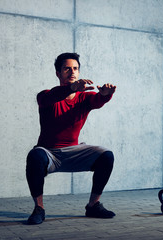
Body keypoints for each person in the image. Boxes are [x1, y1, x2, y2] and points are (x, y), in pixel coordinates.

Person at [26, 53, 117, 225]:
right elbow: (52, 96)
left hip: (74, 151)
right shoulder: (45, 96)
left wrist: (106, 94)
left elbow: (98, 100)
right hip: (48, 153)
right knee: (34, 156)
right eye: (67, 69)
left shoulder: (84, 98)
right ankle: (39, 209)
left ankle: (93, 205)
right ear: (58, 73)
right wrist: (72, 88)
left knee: (106, 155)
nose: (72, 72)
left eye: (75, 68)